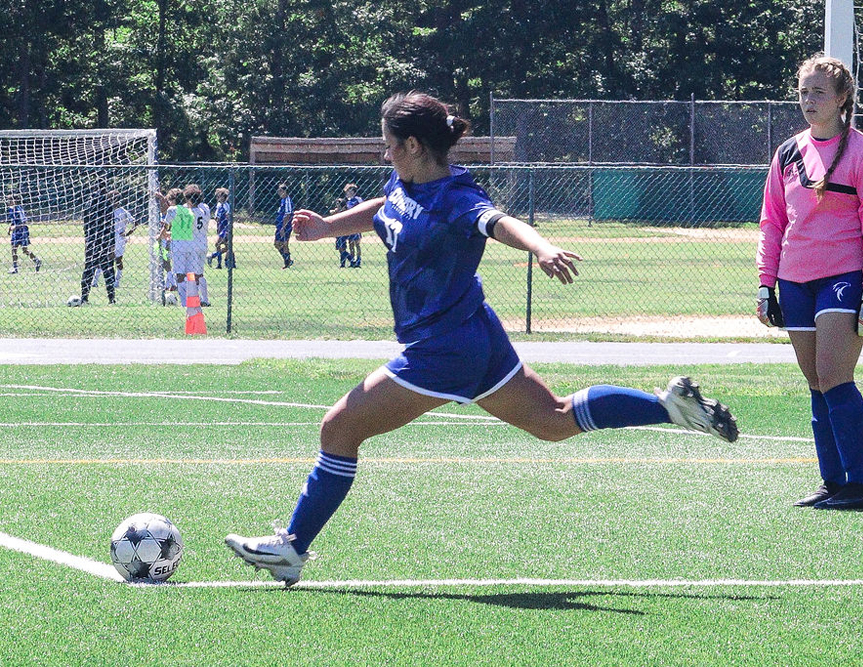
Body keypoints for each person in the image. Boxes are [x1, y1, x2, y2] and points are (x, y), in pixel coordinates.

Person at [225, 91, 739, 586]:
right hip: (473, 333)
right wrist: (327, 228)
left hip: (442, 349)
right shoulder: (407, 181)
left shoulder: (458, 198)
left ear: (413, 145)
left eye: (389, 144)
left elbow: (499, 222)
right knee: (553, 420)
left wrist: (541, 247)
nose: (385, 153)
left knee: (339, 428)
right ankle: (669, 408)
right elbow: (385, 208)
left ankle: (292, 547)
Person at [756, 55, 863, 511]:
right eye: (803, 91)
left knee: (836, 377)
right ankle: (832, 482)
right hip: (793, 280)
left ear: (842, 99)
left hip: (844, 277)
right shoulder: (786, 153)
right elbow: (772, 222)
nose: (808, 100)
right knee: (816, 382)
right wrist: (765, 284)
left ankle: (859, 486)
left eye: (818, 92)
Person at [163, 184, 212, 307]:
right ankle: (204, 299)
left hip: (192, 243)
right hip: (203, 242)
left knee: (185, 274)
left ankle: (189, 300)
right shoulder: (205, 208)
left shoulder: (188, 211)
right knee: (198, 274)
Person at [76, 175, 116, 305]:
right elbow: (110, 225)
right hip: (104, 240)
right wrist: (112, 244)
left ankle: (84, 297)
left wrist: (87, 239)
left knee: (89, 269)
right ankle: (111, 298)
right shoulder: (107, 203)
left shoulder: (88, 203)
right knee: (107, 269)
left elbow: (86, 223)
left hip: (92, 240)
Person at [92, 191, 137, 289]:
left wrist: (127, 233)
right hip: (108, 238)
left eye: (111, 199)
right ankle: (94, 281)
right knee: (104, 259)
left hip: (119, 240)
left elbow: (135, 223)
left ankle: (116, 282)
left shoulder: (123, 212)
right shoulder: (106, 211)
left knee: (118, 260)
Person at [6, 194, 42, 274]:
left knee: (24, 250)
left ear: (14, 201)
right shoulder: (11, 209)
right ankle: (15, 268)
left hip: (22, 231)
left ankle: (37, 260)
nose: (8, 202)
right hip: (16, 232)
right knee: (13, 249)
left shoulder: (18, 209)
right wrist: (10, 228)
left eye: (10, 200)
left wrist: (15, 227)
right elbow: (14, 221)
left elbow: (24, 222)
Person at [208, 187, 234, 269]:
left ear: (223, 197)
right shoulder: (219, 205)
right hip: (220, 228)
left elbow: (228, 217)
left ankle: (213, 256)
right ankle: (219, 263)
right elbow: (217, 217)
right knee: (227, 247)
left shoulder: (226, 206)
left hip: (225, 229)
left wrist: (228, 228)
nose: (217, 198)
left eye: (218, 196)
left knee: (218, 244)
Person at [343, 183, 363, 267]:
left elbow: (362, 208)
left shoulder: (358, 199)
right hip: (349, 225)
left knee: (357, 243)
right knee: (350, 243)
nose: (348, 193)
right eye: (347, 191)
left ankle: (358, 260)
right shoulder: (347, 201)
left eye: (349, 191)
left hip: (356, 224)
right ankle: (352, 260)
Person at [274, 183, 294, 268]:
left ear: (284, 191)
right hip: (280, 226)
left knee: (284, 244)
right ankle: (288, 260)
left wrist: (283, 227)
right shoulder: (283, 200)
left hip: (285, 226)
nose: (278, 192)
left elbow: (288, 215)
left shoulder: (287, 200)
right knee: (277, 244)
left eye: (280, 190)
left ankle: (287, 262)